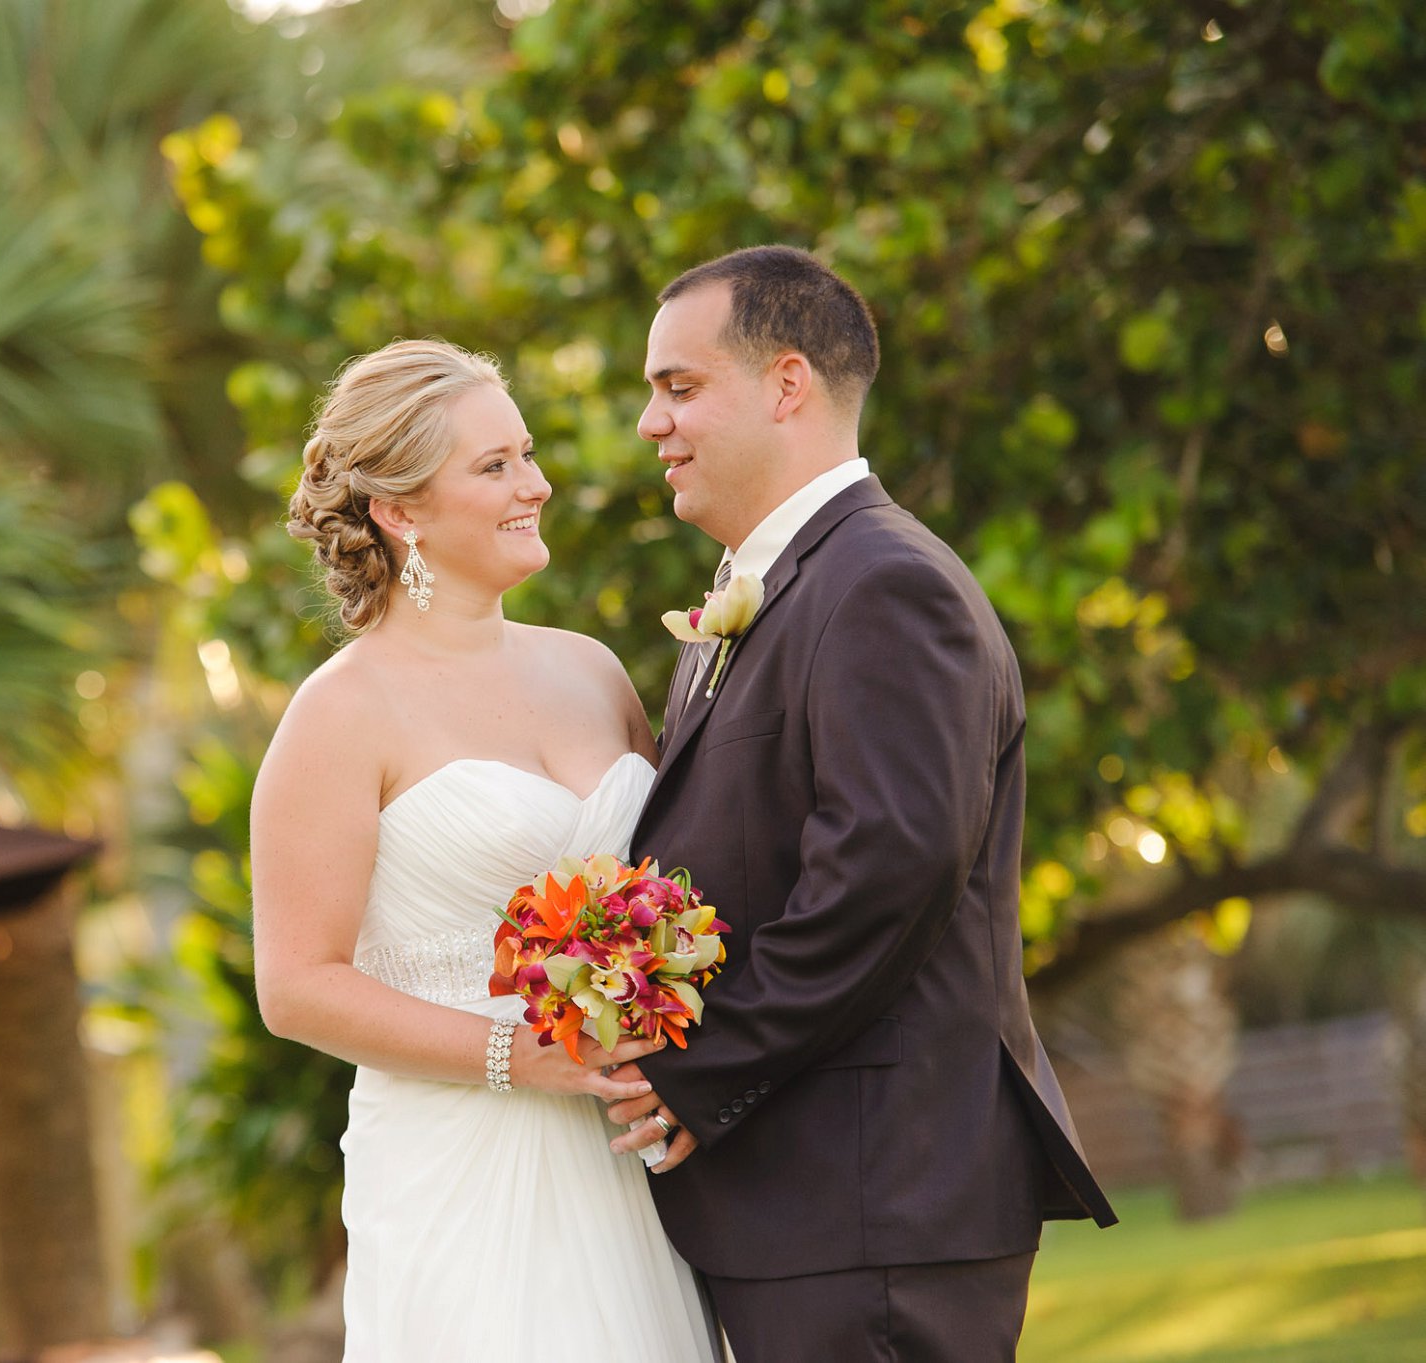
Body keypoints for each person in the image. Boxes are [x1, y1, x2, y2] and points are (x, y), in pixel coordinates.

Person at [603, 246, 1119, 1362]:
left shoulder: (883, 583)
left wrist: (700, 1069)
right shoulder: (765, 592)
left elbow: (885, 871)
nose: (650, 423)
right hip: (810, 1201)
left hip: (875, 1195)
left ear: (786, 385)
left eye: (677, 387)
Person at [249, 340, 718, 1361]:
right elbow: (294, 986)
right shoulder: (339, 715)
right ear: (400, 511)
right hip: (461, 1168)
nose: (534, 485)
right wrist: (519, 1056)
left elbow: (669, 892)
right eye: (493, 465)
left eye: (527, 454)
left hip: (621, 1154)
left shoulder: (591, 672)